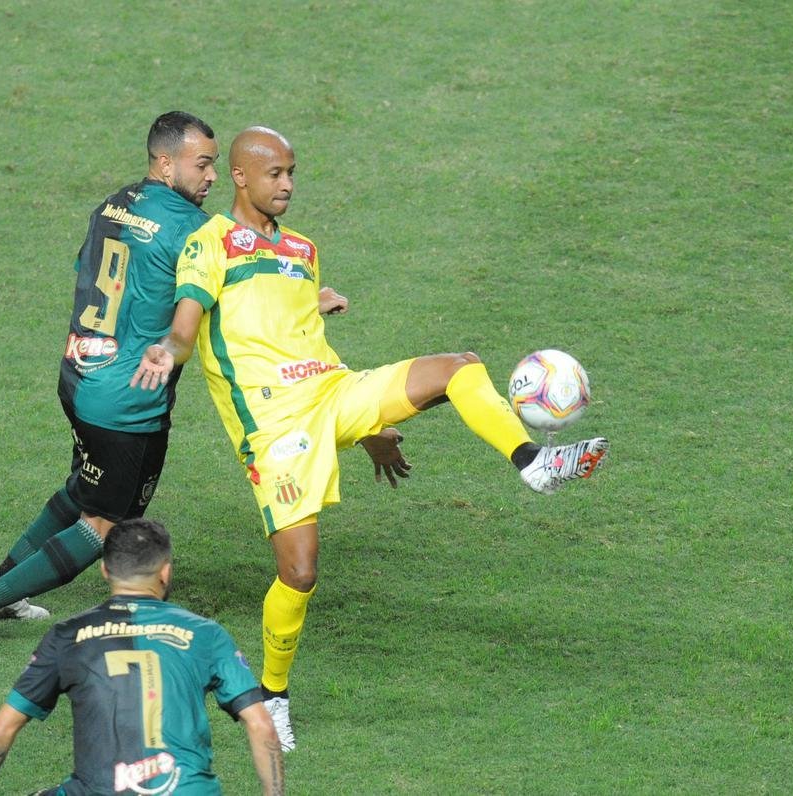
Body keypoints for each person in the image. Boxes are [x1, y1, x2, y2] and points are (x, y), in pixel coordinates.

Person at [130, 126, 609, 751]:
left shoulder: (302, 249)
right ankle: (270, 695)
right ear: (241, 178)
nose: (289, 185)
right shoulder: (209, 242)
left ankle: (533, 461)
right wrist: (169, 351)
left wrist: (369, 424)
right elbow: (188, 322)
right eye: (274, 174)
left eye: (293, 172)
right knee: (299, 573)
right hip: (277, 427)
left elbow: (299, 331)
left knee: (458, 365)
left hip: (334, 392)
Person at [0, 112, 407, 646]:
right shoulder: (196, 230)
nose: (212, 176)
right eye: (202, 164)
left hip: (78, 374)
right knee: (106, 523)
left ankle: (1, 588)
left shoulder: (113, 203)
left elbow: (92, 274)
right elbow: (235, 307)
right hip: (129, 398)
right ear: (166, 163)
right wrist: (310, 302)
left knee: (80, 490)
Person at [0, 518, 284, 795]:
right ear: (166, 572)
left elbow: (2, 729)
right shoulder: (207, 634)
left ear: (105, 570)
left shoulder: (66, 636)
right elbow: (261, 727)